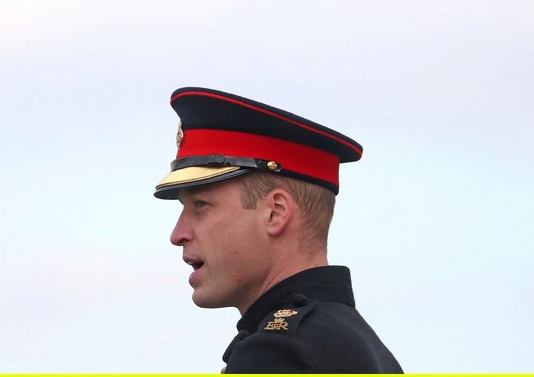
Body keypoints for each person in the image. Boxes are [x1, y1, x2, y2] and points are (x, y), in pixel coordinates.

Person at [155, 86, 403, 373]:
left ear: (276, 212)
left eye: (201, 205)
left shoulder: (278, 353)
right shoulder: (359, 345)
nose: (178, 235)